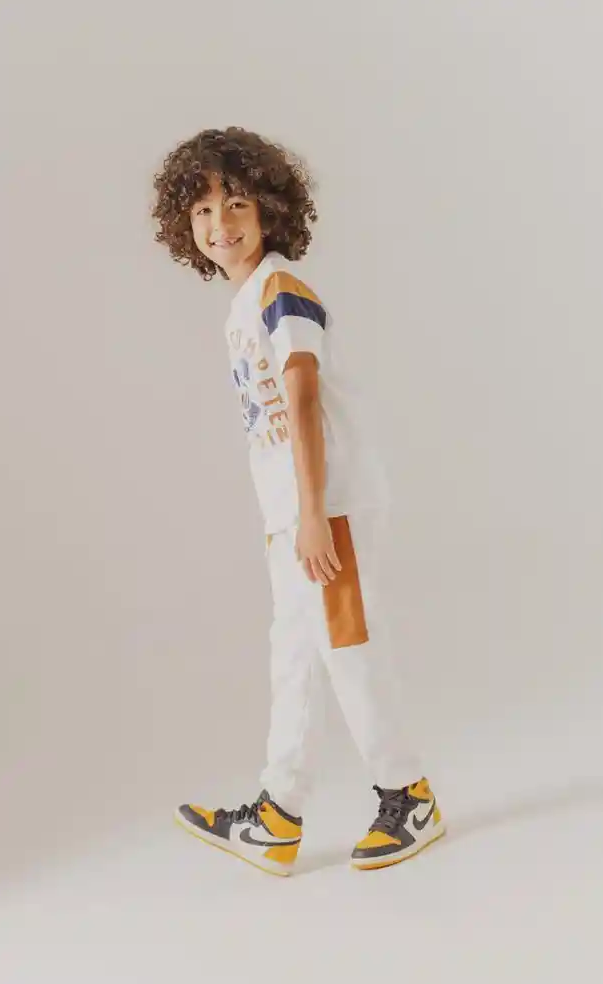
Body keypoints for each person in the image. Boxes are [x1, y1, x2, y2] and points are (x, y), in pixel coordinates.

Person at [151, 127, 445, 876]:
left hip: (328, 509)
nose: (220, 223)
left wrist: (313, 514)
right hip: (294, 514)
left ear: (270, 210)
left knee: (348, 650)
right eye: (203, 210)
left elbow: (303, 392)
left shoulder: (282, 288)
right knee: (294, 657)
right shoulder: (245, 302)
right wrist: (289, 517)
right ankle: (277, 815)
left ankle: (408, 794)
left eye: (236, 203)